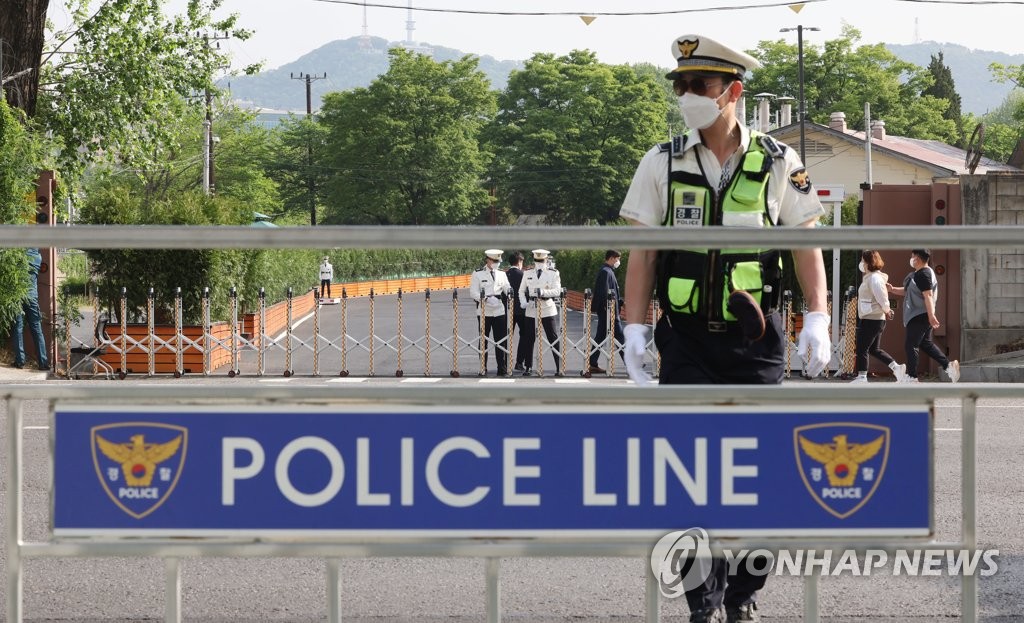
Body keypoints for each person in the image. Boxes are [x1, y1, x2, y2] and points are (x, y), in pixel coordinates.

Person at [619, 35, 832, 623]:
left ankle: (741, 595)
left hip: (755, 342)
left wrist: (818, 314)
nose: (687, 95)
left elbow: (804, 241)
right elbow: (642, 252)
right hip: (686, 342)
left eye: (700, 86)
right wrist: (634, 329)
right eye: (681, 85)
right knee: (689, 481)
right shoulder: (661, 160)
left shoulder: (779, 161)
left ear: (733, 92)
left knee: (761, 479)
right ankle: (703, 606)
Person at [887, 248, 960, 383]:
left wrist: (931, 315)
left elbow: (928, 295)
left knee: (911, 344)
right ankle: (948, 366)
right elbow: (908, 291)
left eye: (912, 256)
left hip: (919, 315)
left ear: (918, 258)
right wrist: (892, 290)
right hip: (920, 314)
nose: (911, 259)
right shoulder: (919, 274)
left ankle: (912, 376)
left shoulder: (923, 274)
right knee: (925, 344)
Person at [852, 250, 907, 383]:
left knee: (862, 348)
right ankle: (897, 368)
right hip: (874, 318)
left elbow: (882, 296)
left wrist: (887, 310)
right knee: (873, 349)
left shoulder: (874, 278)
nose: (861, 263)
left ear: (868, 262)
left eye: (863, 261)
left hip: (872, 318)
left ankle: (862, 376)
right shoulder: (871, 277)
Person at [517, 249, 563, 376]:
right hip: (531, 308)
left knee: (552, 337)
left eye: (541, 261)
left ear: (546, 260)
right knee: (529, 338)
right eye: (537, 261)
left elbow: (557, 291)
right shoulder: (527, 273)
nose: (539, 263)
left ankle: (559, 367)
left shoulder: (553, 273)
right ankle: (528, 367)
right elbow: (521, 291)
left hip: (547, 307)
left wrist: (543, 292)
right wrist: (523, 302)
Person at [469, 249, 512, 375]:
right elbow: (473, 292)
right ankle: (483, 368)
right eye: (494, 261)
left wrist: (510, 293)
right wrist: (486, 299)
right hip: (484, 310)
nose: (496, 263)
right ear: (488, 260)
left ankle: (502, 368)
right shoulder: (477, 273)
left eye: (498, 261)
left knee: (501, 340)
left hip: (499, 310)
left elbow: (506, 287)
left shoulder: (502, 274)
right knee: (483, 340)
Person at [587, 249, 626, 374]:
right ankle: (632, 364)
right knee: (620, 337)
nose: (618, 261)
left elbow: (611, 292)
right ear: (611, 258)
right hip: (609, 312)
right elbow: (603, 292)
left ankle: (592, 363)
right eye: (617, 259)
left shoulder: (608, 271)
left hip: (609, 310)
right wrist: (607, 309)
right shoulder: (606, 272)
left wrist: (620, 302)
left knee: (600, 337)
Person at [12, 247, 49, 371]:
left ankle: (20, 361)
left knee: (18, 327)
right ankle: (43, 363)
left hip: (18, 295)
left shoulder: (18, 255)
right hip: (32, 297)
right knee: (37, 329)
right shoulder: (38, 257)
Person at [505, 251, 533, 372]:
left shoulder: (504, 275)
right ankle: (520, 362)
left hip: (508, 310)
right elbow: (527, 291)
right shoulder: (523, 275)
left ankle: (504, 363)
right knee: (526, 336)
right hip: (522, 310)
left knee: (506, 336)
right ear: (520, 261)